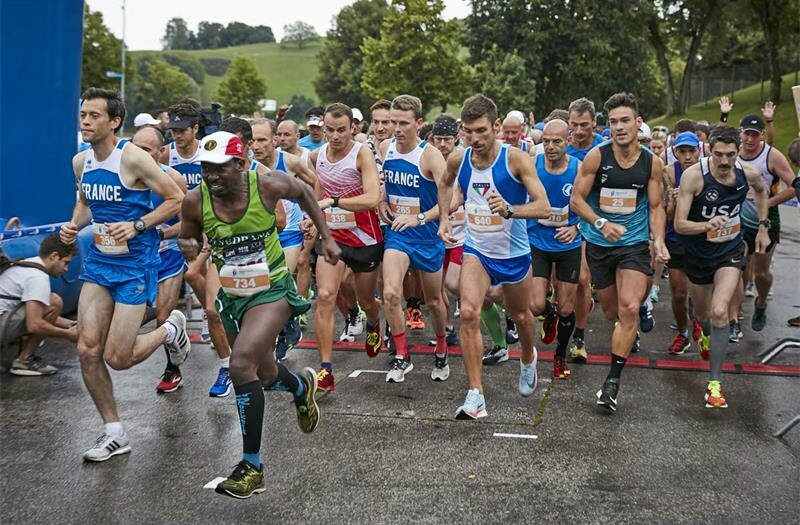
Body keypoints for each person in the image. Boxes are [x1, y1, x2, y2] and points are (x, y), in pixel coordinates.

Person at [178, 131, 339, 499]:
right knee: (263, 375)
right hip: (234, 297)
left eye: (220, 169)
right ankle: (301, 386)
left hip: (272, 289)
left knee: (240, 365)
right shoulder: (194, 200)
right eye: (206, 168)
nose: (212, 176)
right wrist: (189, 245)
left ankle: (252, 466)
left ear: (240, 164)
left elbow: (306, 194)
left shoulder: (267, 185)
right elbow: (187, 236)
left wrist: (326, 237)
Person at [60, 87, 188, 461]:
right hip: (100, 263)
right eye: (83, 114)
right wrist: (73, 225)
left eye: (94, 115)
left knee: (119, 357)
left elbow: (175, 198)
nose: (85, 121)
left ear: (114, 121)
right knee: (87, 349)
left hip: (135, 265)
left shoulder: (132, 158)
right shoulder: (80, 161)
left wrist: (138, 225)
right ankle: (114, 431)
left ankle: (170, 328)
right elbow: (86, 203)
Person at [437, 94, 551, 420]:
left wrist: (512, 210)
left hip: (513, 252)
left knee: (522, 315)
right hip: (477, 249)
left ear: (496, 127)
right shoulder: (459, 159)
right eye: (469, 131)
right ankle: (476, 395)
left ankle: (528, 357)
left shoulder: (515, 160)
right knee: (469, 312)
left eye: (482, 131)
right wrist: (445, 217)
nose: (475, 138)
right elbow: (445, 183)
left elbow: (544, 207)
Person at [570, 92, 668, 413]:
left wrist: (658, 240)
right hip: (600, 244)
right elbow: (577, 201)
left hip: (634, 244)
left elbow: (656, 205)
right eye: (613, 122)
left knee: (627, 308)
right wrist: (600, 222)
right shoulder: (597, 158)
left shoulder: (652, 163)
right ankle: (630, 324)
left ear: (638, 123)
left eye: (625, 120)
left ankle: (611, 382)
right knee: (611, 312)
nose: (619, 127)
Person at [674, 126, 769, 408]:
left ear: (738, 151)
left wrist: (763, 227)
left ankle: (714, 384)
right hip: (698, 253)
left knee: (719, 312)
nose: (725, 161)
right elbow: (680, 224)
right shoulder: (694, 177)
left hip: (729, 250)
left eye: (730, 154)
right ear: (709, 151)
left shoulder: (747, 173)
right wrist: (706, 225)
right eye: (718, 155)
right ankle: (701, 333)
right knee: (703, 314)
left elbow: (762, 192)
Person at [159, 101, 233, 396]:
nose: (176, 135)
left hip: (212, 232)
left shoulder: (210, 151)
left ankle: (212, 315)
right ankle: (174, 365)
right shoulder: (165, 154)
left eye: (181, 130)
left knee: (211, 300)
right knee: (173, 301)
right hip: (181, 235)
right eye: (172, 130)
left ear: (195, 129)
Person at [308, 103, 383, 392]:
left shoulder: (361, 154)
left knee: (367, 302)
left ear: (352, 128)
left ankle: (374, 323)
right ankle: (325, 369)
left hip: (365, 238)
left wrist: (335, 203)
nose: (335, 136)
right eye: (330, 130)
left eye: (341, 130)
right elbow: (319, 191)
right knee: (325, 296)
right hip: (334, 238)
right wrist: (314, 221)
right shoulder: (319, 156)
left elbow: (372, 198)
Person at [378, 95, 449, 382]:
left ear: (418, 123)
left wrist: (420, 218)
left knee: (434, 301)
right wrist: (382, 200)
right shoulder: (385, 148)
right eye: (393, 122)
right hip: (398, 235)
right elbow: (386, 181)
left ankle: (442, 347)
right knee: (391, 294)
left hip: (428, 237)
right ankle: (401, 355)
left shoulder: (430, 155)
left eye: (403, 123)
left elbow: (452, 199)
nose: (396, 128)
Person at [131, 127, 193, 392]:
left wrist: (160, 232)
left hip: (168, 254)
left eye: (146, 150)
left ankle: (172, 368)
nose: (140, 154)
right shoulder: (124, 177)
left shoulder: (174, 179)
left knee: (162, 316)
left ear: (160, 152)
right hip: (136, 260)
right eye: (136, 148)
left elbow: (188, 225)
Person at [527, 120, 582, 379]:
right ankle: (549, 315)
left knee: (567, 309)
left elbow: (592, 204)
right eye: (546, 141)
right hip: (537, 241)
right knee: (536, 305)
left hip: (567, 244)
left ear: (568, 141)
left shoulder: (578, 169)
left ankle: (559, 355)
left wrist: (578, 228)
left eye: (557, 141)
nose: (550, 146)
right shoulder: (532, 165)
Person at [735, 114, 797, 331]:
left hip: (766, 220)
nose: (750, 140)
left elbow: (793, 186)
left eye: (755, 135)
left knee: (761, 273)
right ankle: (735, 314)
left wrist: (768, 202)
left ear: (761, 136)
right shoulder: (732, 153)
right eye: (747, 134)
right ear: (740, 132)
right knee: (737, 265)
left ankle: (760, 302)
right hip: (738, 218)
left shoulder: (772, 156)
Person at [0, 235, 78, 375]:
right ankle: (24, 360)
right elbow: (35, 324)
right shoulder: (37, 277)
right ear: (54, 256)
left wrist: (72, 324)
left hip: (4, 318)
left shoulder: (28, 264)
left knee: (48, 304)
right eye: (66, 262)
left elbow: (39, 312)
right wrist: (68, 334)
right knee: (54, 302)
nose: (66, 269)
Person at [565, 97, 605, 364]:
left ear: (594, 123)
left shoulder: (603, 151)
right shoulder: (560, 148)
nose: (579, 131)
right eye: (574, 125)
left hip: (588, 223)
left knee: (582, 279)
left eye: (584, 125)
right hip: (557, 225)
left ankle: (579, 336)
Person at [662, 131, 702, 355]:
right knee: (678, 292)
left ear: (698, 151)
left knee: (699, 291)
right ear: (675, 152)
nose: (687, 156)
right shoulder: (669, 172)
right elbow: (667, 215)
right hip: (676, 236)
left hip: (701, 238)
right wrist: (676, 202)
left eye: (691, 151)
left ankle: (699, 321)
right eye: (682, 151)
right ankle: (683, 332)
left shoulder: (707, 170)